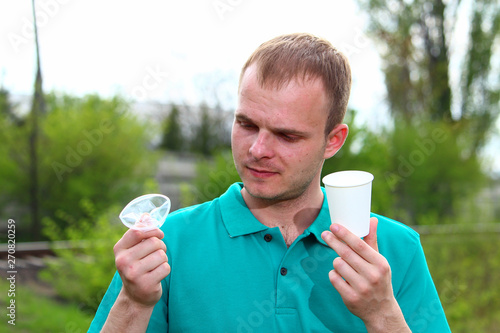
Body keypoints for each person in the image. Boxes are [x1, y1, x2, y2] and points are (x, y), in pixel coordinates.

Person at [89, 33, 451, 332]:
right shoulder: (169, 245)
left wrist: (382, 314)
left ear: (333, 140)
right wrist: (133, 303)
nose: (258, 149)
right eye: (246, 124)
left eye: (286, 135)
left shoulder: (394, 250)